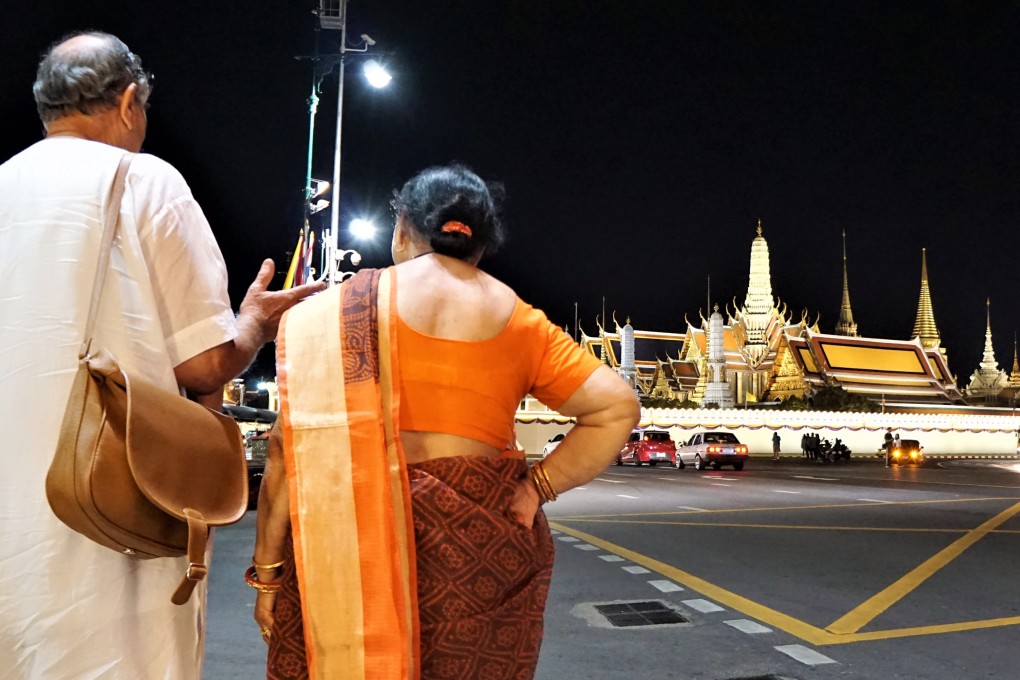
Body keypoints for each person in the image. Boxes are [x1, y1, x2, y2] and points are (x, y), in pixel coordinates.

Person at [0, 32, 322, 678]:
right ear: (127, 102)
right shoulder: (142, 180)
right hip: (106, 506)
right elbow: (203, 365)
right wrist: (253, 323)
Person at [251, 164, 640, 679]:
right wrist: (537, 487)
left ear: (402, 230)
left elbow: (284, 453)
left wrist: (269, 576)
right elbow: (617, 409)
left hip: (346, 553)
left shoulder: (331, 313)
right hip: (476, 562)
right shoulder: (522, 322)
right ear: (481, 245)